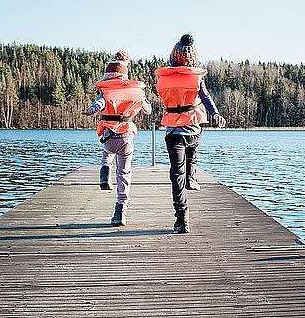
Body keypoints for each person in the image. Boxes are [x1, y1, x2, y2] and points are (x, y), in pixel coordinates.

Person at [155, 34, 226, 234]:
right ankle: (192, 172)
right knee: (191, 153)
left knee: (176, 174)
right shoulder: (197, 78)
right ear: (193, 60)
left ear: (173, 58)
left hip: (174, 131)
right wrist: (215, 114)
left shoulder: (163, 78)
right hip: (194, 128)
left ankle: (181, 218)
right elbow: (205, 96)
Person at [82, 50, 152, 226]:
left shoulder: (105, 92)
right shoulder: (135, 92)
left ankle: (105, 172)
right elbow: (147, 110)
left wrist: (90, 110)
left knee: (107, 153)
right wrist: (142, 98)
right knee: (124, 172)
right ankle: (121, 209)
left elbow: (98, 105)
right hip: (127, 137)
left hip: (109, 137)